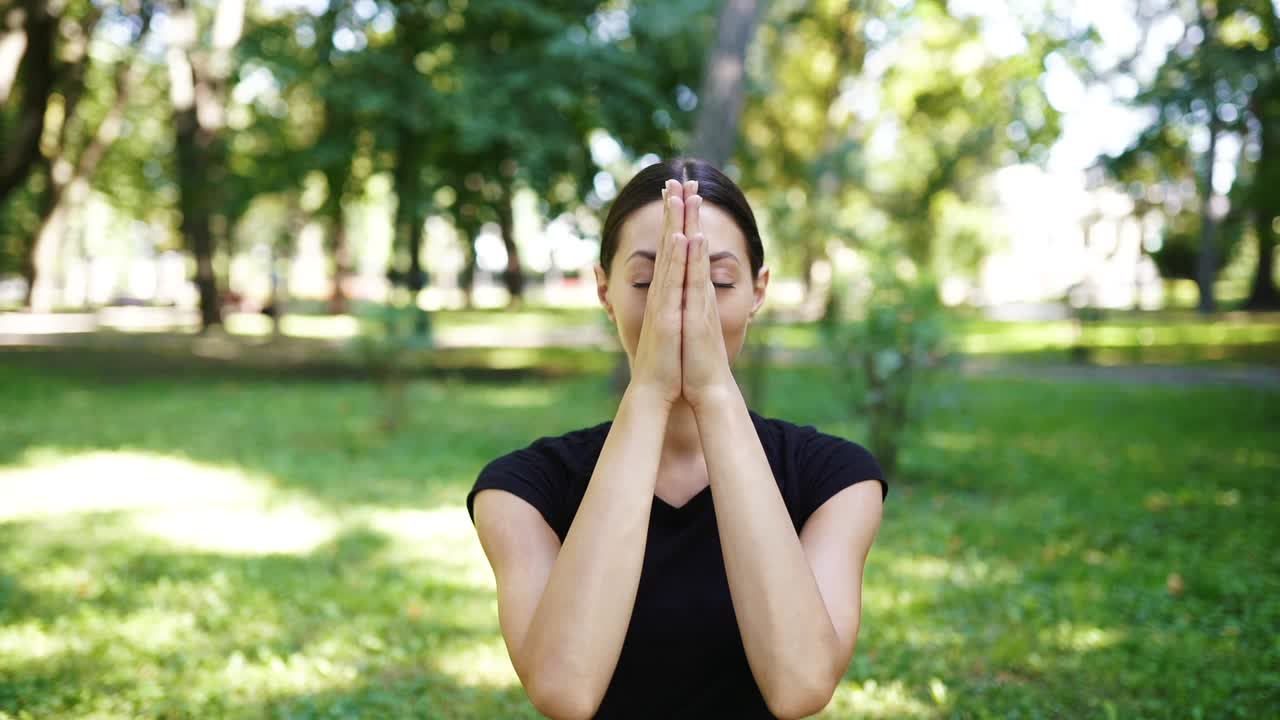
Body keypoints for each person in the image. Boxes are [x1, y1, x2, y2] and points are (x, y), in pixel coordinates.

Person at [466, 158, 887, 719]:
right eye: (649, 282)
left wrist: (713, 392)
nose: (684, 307)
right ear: (604, 290)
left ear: (759, 290)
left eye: (717, 282)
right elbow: (564, 691)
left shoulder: (836, 479)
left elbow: (799, 688)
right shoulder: (521, 490)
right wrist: (650, 392)